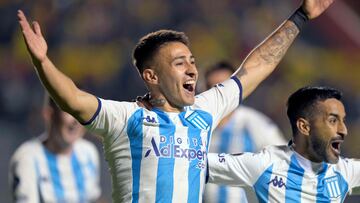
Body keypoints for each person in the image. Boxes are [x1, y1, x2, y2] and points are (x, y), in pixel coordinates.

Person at [17, 0, 334, 202]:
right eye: (180, 62)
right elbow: (72, 99)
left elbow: (257, 65)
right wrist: (43, 62)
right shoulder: (126, 119)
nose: (193, 68)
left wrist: (301, 16)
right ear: (152, 76)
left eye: (193, 60)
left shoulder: (205, 110)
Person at [207, 86, 360, 202]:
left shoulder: (345, 171)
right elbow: (194, 162)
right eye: (333, 121)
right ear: (304, 127)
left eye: (343, 120)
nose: (344, 130)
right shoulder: (264, 165)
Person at [203, 61, 287, 203]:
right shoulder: (198, 125)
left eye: (224, 87)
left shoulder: (254, 123)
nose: (220, 94)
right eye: (213, 88)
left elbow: (283, 161)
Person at [9, 96, 101, 203]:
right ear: (49, 114)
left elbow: (93, 199)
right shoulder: (27, 158)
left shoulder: (88, 152)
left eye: (81, 113)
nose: (76, 120)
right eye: (70, 112)